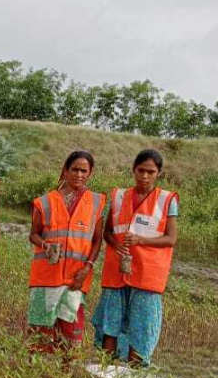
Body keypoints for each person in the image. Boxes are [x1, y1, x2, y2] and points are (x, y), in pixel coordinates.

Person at [92, 149, 178, 366]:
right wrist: (116, 244)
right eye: (141, 171)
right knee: (110, 323)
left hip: (147, 274)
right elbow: (108, 233)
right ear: (133, 170)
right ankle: (106, 372)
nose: (145, 176)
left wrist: (141, 241)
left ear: (159, 173)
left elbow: (171, 238)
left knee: (141, 327)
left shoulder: (167, 200)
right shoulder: (119, 197)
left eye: (151, 171)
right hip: (117, 270)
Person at [27, 151, 105, 350]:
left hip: (75, 279)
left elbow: (97, 240)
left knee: (72, 339)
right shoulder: (45, 201)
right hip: (46, 277)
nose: (79, 174)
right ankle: (37, 375)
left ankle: (64, 377)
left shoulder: (96, 202)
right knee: (40, 337)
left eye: (83, 171)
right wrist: (45, 244)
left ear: (90, 173)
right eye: (75, 169)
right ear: (66, 170)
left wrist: (87, 268)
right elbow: (33, 234)